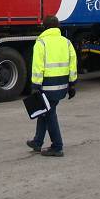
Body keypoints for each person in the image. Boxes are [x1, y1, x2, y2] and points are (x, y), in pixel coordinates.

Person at [26, 15, 77, 157]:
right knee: (44, 111)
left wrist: (35, 86)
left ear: (44, 27)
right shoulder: (66, 42)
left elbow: (37, 67)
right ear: (58, 27)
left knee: (49, 114)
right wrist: (72, 84)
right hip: (62, 86)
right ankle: (37, 142)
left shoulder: (41, 43)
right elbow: (73, 64)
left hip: (47, 86)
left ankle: (57, 146)